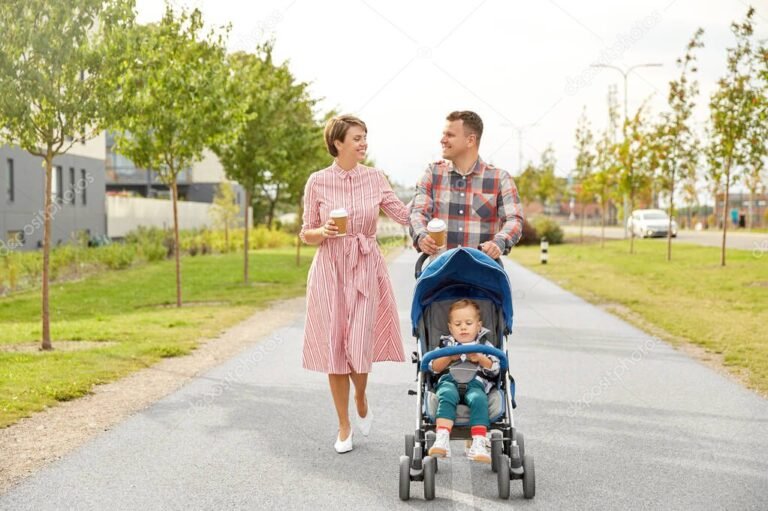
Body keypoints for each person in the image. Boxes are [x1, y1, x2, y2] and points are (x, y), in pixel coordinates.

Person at [300, 115, 410, 454]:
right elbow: (306, 232)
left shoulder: (376, 178)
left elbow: (403, 215)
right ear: (338, 143)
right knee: (335, 347)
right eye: (357, 138)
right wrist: (323, 232)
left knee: (360, 343)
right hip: (330, 269)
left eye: (365, 138)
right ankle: (343, 425)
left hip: (365, 266)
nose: (364, 143)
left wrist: (430, 208)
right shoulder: (317, 181)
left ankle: (361, 395)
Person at [410, 110, 525, 258]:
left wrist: (499, 242)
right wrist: (421, 236)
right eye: (443, 134)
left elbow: (514, 219)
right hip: (440, 273)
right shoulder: (432, 174)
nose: (442, 140)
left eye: (449, 135)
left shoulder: (500, 179)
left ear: (470, 140)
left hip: (482, 271)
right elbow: (418, 212)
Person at [427, 299, 500, 463]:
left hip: (476, 383)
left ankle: (479, 442)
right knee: (446, 395)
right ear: (451, 327)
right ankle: (442, 437)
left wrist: (481, 358)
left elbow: (495, 368)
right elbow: (433, 367)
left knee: (479, 399)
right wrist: (448, 357)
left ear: (478, 325)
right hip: (448, 381)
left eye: (468, 323)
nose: (463, 327)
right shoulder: (446, 344)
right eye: (458, 324)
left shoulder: (484, 344)